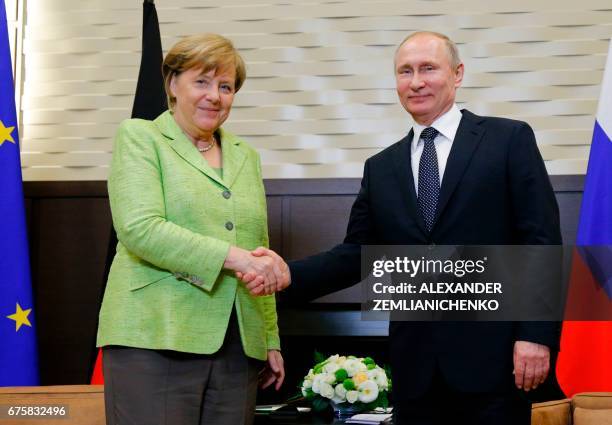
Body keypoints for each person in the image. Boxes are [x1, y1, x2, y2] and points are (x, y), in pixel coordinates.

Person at [243, 31, 562, 424]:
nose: (416, 81)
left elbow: (540, 243)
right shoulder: (381, 167)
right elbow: (357, 255)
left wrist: (536, 335)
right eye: (404, 71)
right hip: (416, 373)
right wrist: (289, 272)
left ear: (457, 74)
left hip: (496, 363)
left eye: (428, 68)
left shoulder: (508, 139)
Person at [96, 33, 289, 425]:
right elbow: (140, 228)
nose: (214, 96)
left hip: (237, 345)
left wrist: (268, 338)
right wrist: (234, 258)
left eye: (226, 86)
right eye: (201, 81)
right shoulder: (140, 137)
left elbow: (259, 250)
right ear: (172, 83)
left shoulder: (245, 155)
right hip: (153, 336)